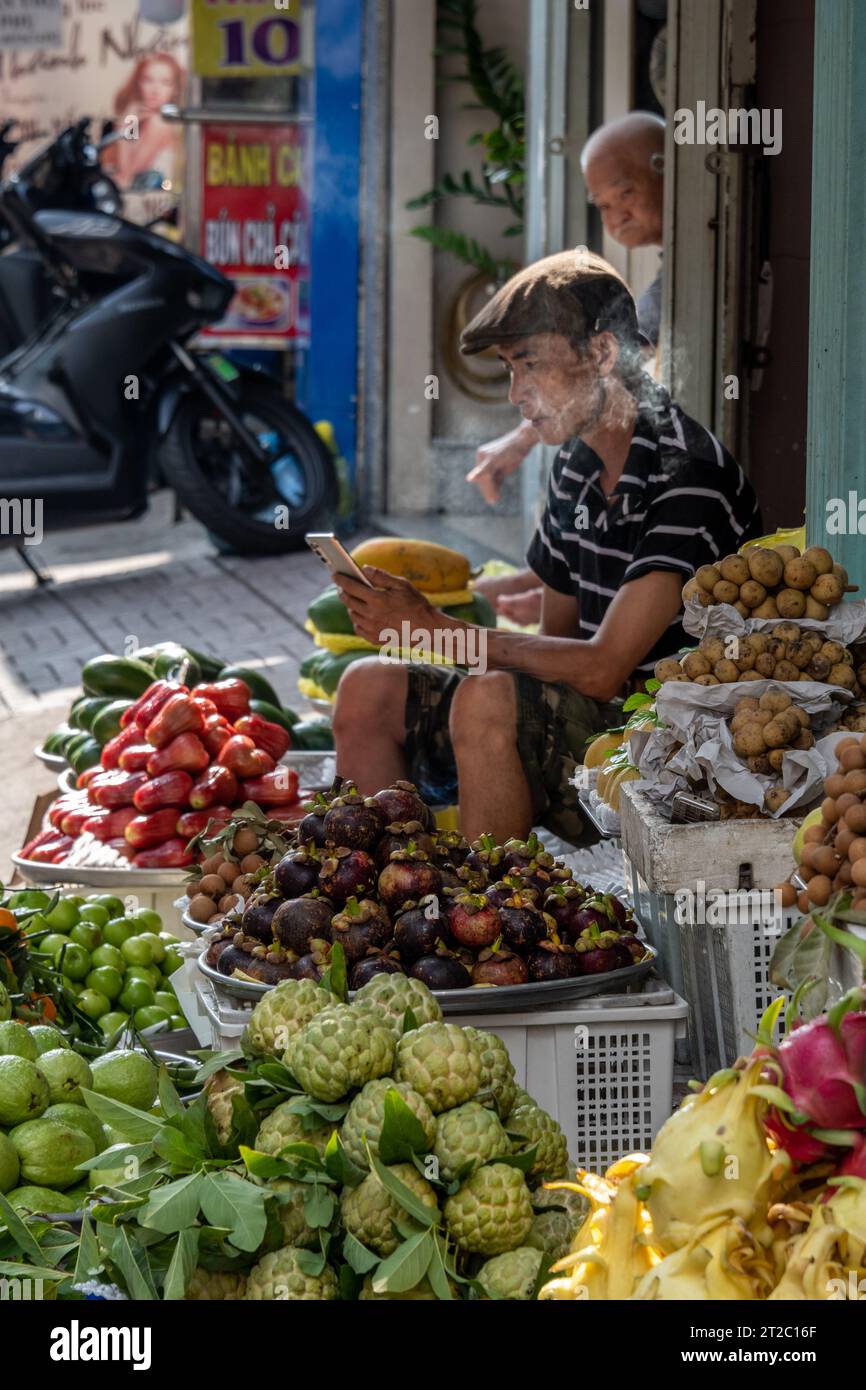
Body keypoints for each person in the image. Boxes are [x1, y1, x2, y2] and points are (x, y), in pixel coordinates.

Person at [333, 249, 761, 846]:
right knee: (367, 687)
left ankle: (489, 920)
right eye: (509, 368)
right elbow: (556, 644)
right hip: (594, 720)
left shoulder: (688, 473)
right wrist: (420, 636)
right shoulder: (576, 465)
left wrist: (435, 630)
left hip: (672, 746)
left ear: (603, 353)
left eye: (529, 364)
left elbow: (605, 667)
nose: (516, 393)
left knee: (487, 699)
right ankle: (389, 901)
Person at [471, 112, 666, 624]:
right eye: (602, 205)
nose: (615, 217)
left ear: (668, 168)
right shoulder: (577, 464)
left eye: (624, 194)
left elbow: (629, 362)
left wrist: (517, 442)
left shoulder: (688, 471)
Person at [103, 53, 185, 190]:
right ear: (138, 84)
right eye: (148, 80)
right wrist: (130, 121)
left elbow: (127, 177)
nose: (155, 90)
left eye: (165, 82)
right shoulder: (138, 118)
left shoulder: (160, 123)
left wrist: (124, 126)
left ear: (175, 89)